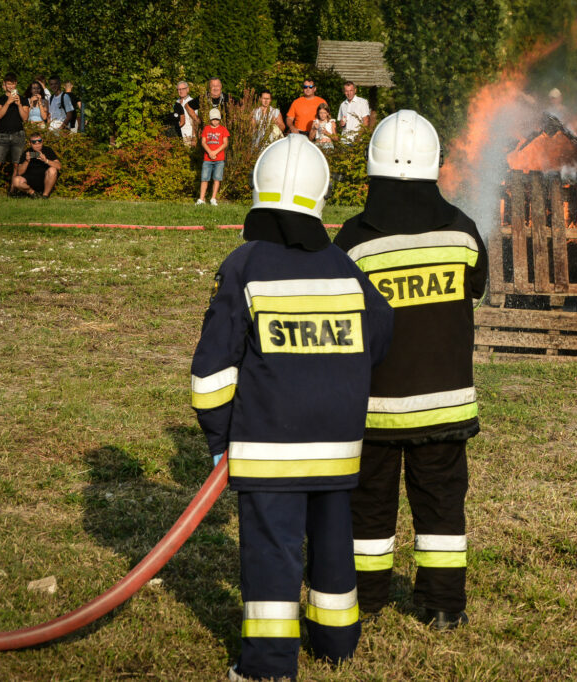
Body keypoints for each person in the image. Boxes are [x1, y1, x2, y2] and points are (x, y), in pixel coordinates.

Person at [190, 133, 393, 682]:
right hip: (338, 445)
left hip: (268, 449)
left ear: (259, 190)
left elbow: (211, 374)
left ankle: (268, 665)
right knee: (333, 546)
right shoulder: (345, 268)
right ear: (320, 197)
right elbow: (380, 331)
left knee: (272, 554)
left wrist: (219, 441)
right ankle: (336, 645)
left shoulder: (244, 265)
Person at [334, 110, 488, 631]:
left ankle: (366, 599)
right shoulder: (463, 232)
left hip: (374, 408)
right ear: (434, 166)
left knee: (368, 507)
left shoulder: (353, 241)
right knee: (442, 505)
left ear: (373, 168)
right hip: (445, 405)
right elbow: (476, 287)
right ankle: (443, 605)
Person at [197, 109, 229, 206]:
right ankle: (201, 199)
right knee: (204, 178)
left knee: (217, 178)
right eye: (213, 119)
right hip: (207, 159)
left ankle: (213, 198)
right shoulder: (206, 129)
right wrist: (210, 152)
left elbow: (225, 143)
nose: (215, 121)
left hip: (219, 159)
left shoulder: (223, 129)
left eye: (217, 119)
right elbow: (203, 142)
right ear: (210, 119)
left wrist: (215, 152)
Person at [12, 133, 61, 198]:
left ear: (42, 141)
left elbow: (59, 166)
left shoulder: (48, 150)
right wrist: (27, 161)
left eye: (39, 141)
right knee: (16, 181)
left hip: (45, 180)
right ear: (30, 143)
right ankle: (33, 193)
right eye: (34, 142)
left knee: (53, 170)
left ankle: (45, 196)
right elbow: (19, 172)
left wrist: (46, 160)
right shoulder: (26, 152)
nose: (37, 144)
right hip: (29, 181)